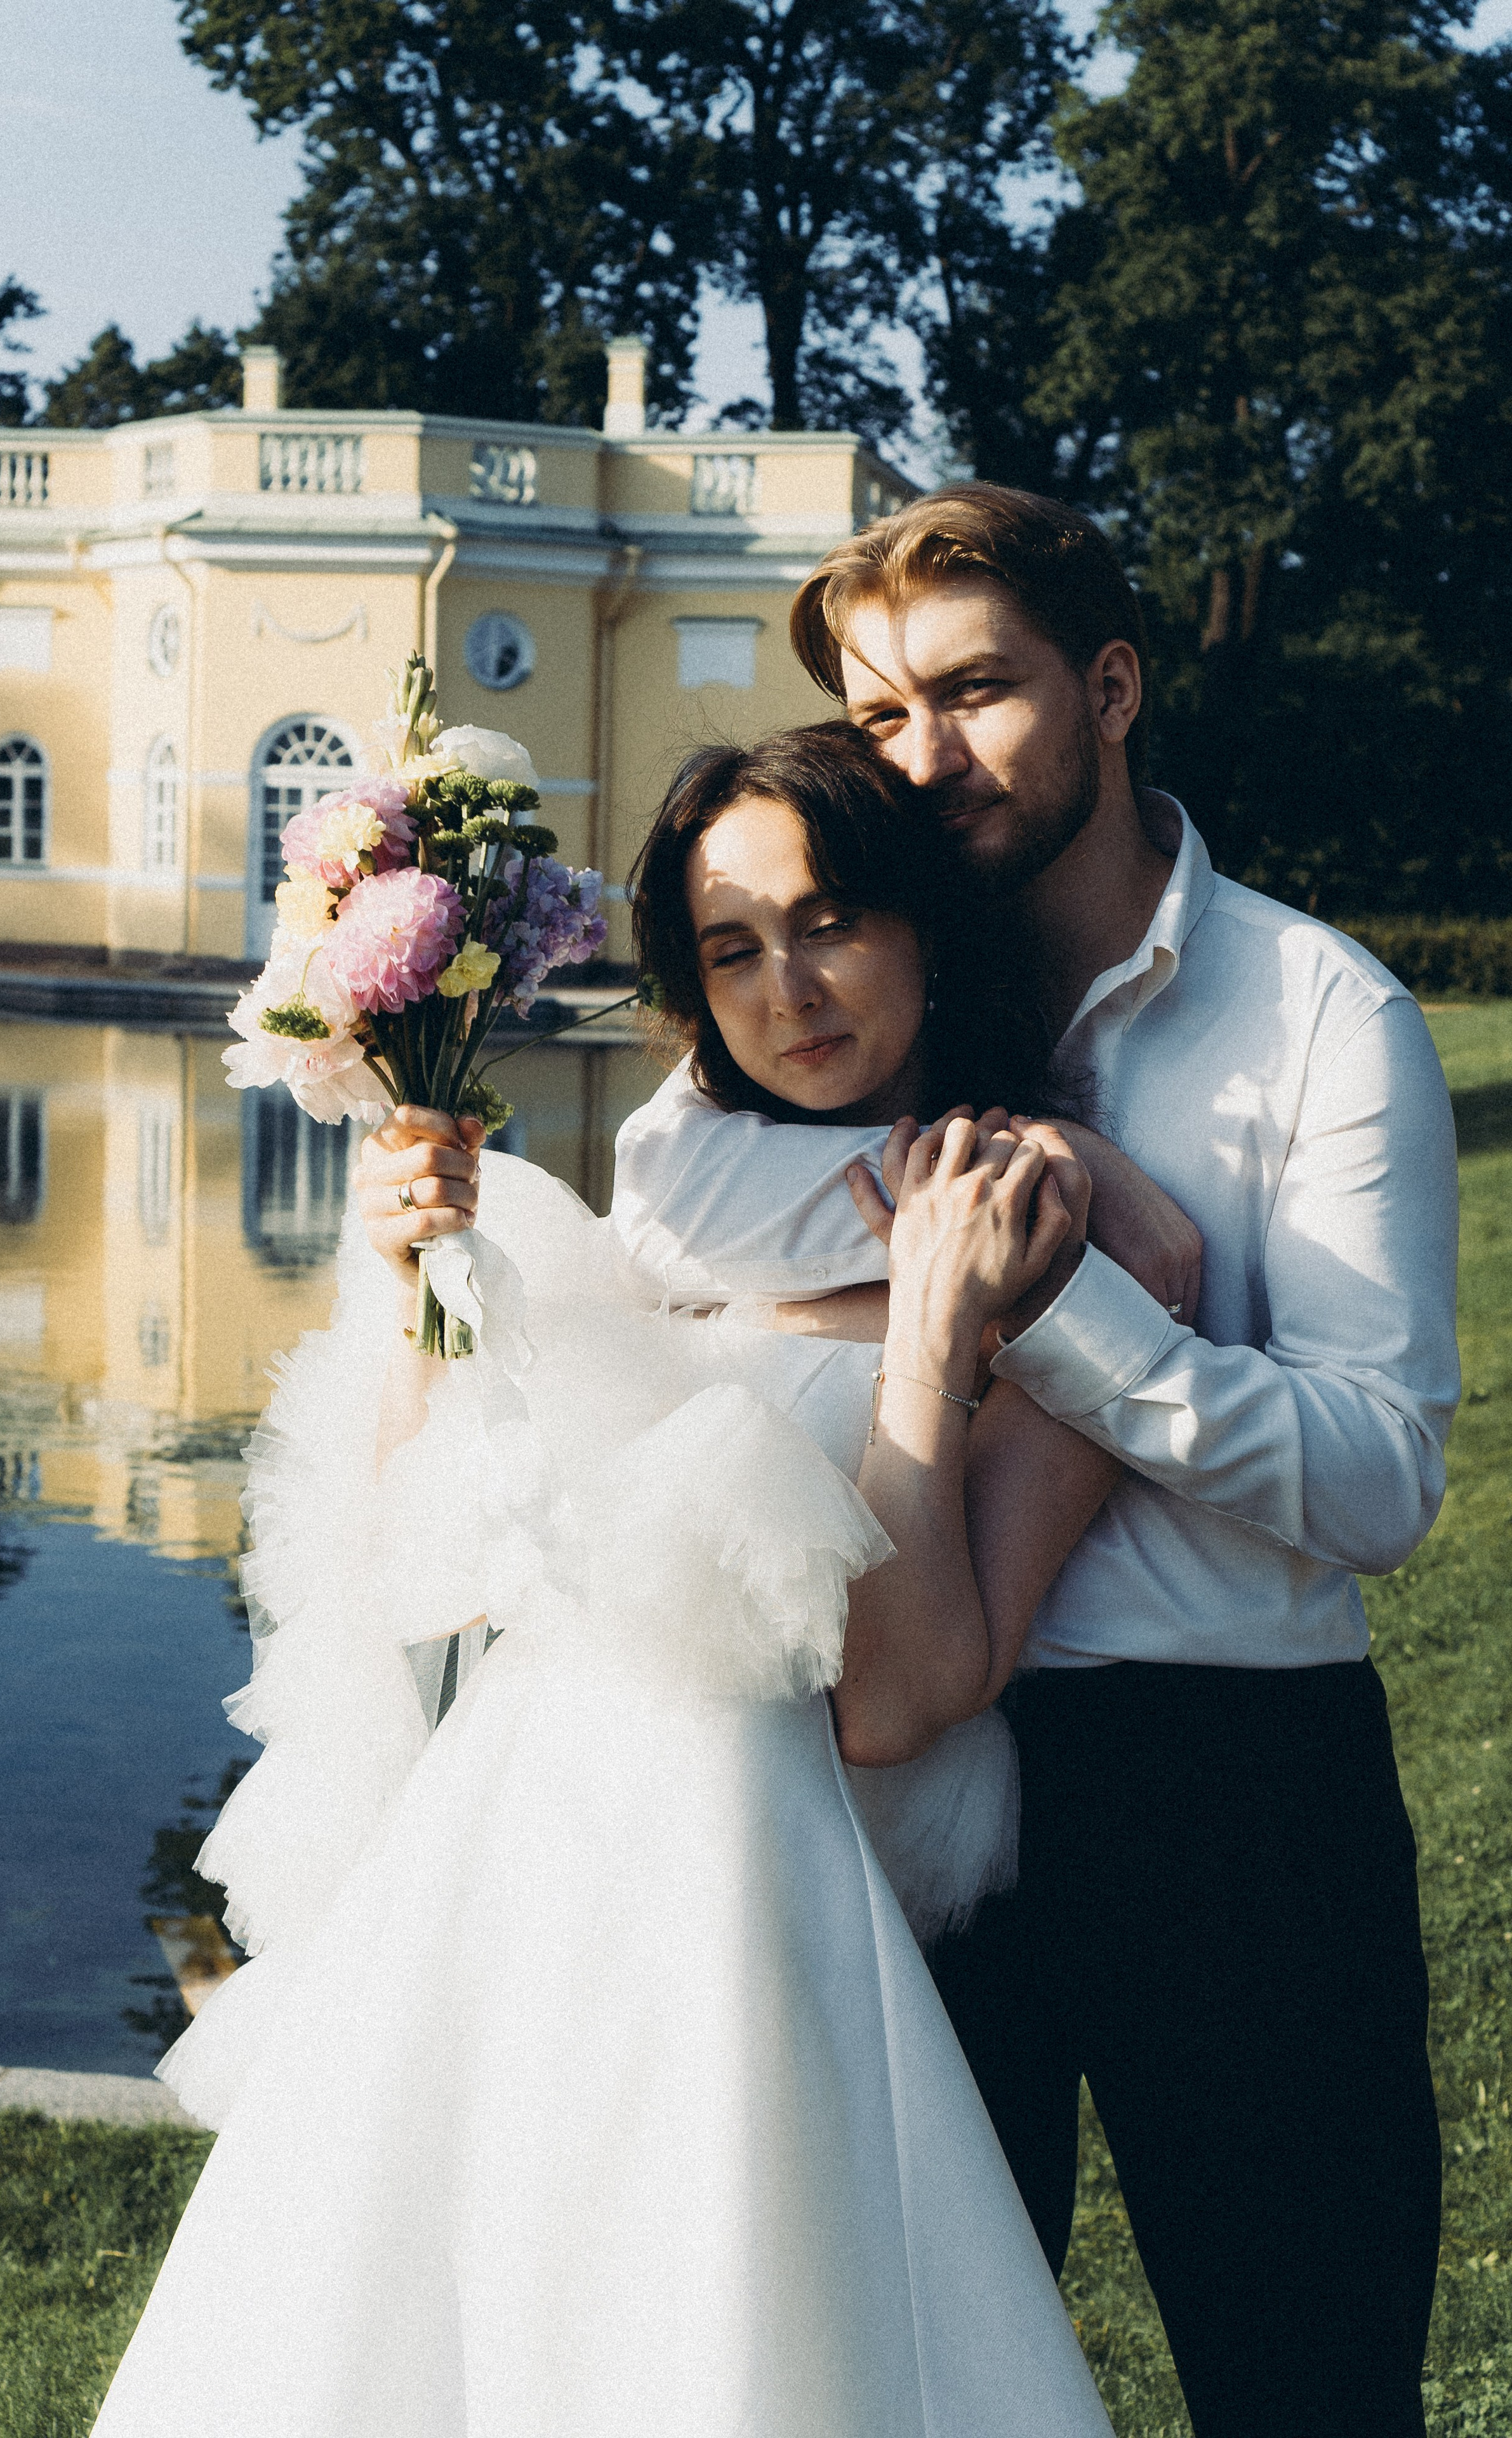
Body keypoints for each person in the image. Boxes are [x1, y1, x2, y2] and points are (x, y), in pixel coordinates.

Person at [91, 726, 1170, 2438]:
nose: (787, 990)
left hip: (743, 1931)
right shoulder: (667, 1215)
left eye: (829, 923)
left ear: (924, 931)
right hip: (504, 1882)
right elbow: (429, 1576)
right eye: (731, 950)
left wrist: (931, 1335)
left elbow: (894, 1703)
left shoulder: (1048, 1235)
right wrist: (412, 1288)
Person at [612, 484, 1461, 2438]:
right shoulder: (884, 946)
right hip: (911, 1817)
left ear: (1113, 682)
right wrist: (986, 1227)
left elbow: (1381, 1481)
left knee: (1305, 2384)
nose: (923, 755)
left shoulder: (1326, 1014)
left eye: (976, 693)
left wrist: (1058, 1298)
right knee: (909, 2384)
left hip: (1231, 1796)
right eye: (884, 710)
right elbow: (664, 1196)